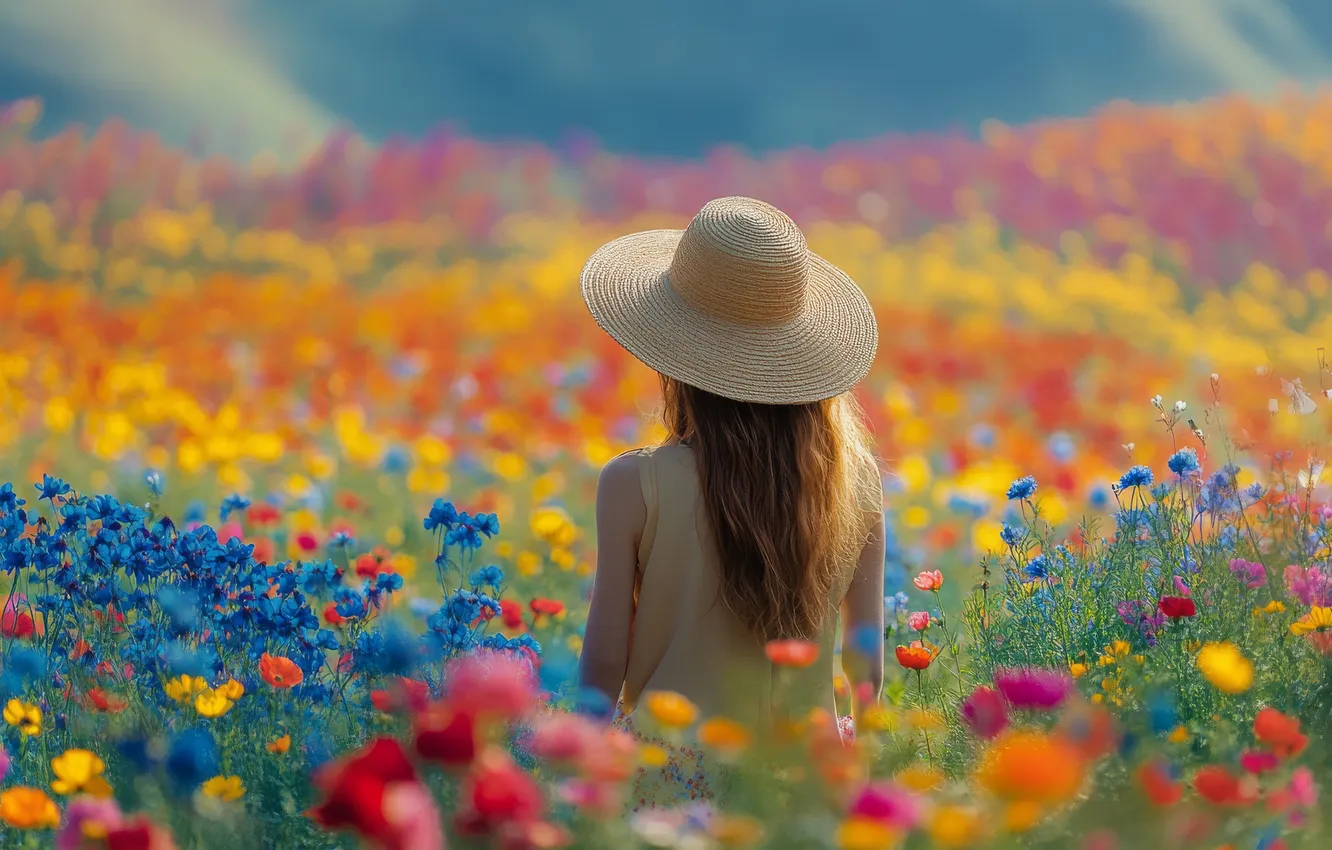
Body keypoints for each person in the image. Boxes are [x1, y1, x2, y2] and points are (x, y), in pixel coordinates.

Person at [574, 196, 886, 810]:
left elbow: (606, 661)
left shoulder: (634, 484)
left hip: (671, 780)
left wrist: (582, 772)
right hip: (803, 778)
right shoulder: (857, 483)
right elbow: (866, 659)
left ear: (673, 357)